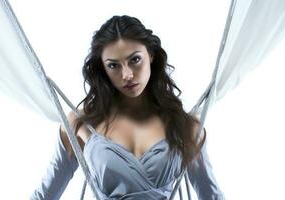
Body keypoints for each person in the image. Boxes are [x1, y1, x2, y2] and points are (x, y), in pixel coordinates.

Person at [31, 15, 225, 200]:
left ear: (151, 55)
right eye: (114, 65)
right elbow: (44, 196)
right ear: (103, 68)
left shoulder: (187, 127)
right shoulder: (79, 124)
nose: (127, 75)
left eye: (135, 60)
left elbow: (212, 196)